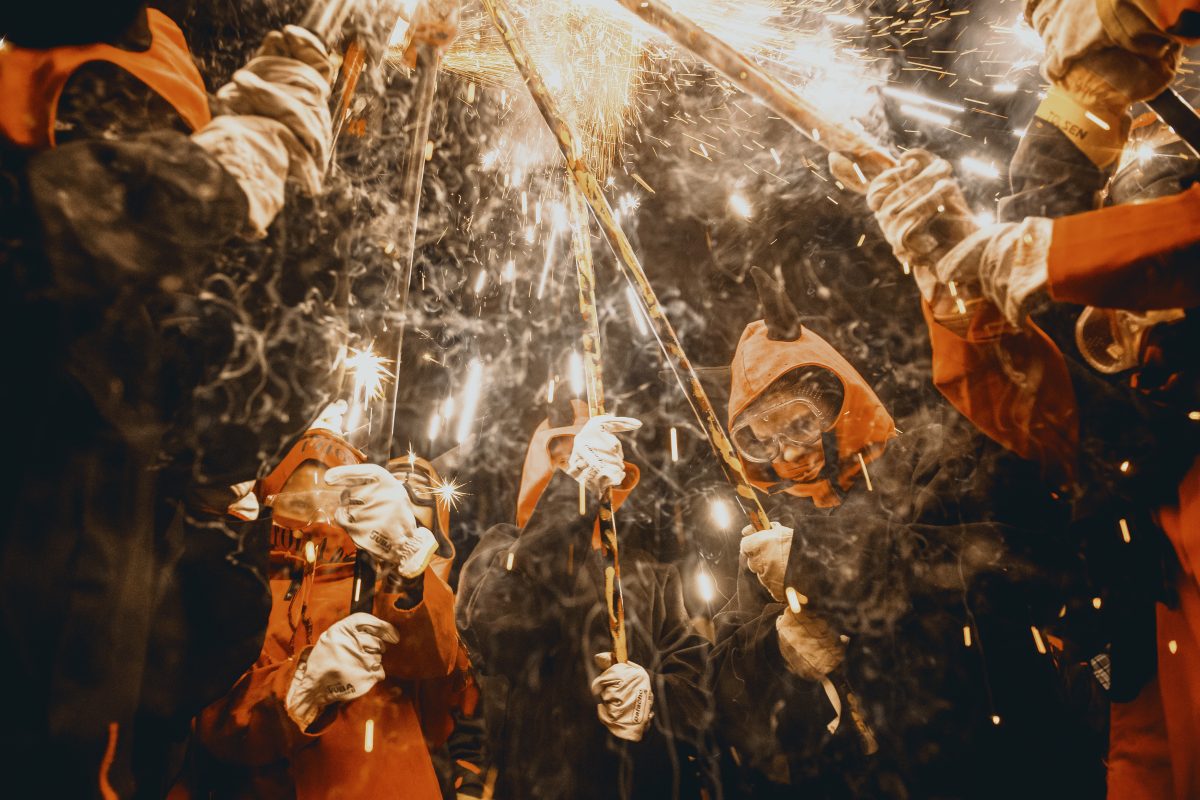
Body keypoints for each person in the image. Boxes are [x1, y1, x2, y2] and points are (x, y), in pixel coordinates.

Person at [839, 3, 1200, 795]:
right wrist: (951, 275)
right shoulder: (1149, 443)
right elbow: (1038, 397)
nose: (1127, 324)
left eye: (1144, 288)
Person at [0, 2, 335, 792]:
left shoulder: (110, 402)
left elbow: (156, 675)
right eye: (128, 146)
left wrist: (215, 514)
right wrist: (198, 182)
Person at [710, 269, 1097, 797]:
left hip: (1004, 762)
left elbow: (994, 562)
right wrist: (779, 651)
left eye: (801, 425)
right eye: (764, 442)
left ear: (837, 400)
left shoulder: (933, 455)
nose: (790, 455)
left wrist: (812, 567)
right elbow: (725, 686)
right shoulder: (768, 535)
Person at [193, 421, 475, 798]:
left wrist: (403, 567)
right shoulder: (240, 580)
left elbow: (439, 678)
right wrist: (301, 688)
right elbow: (208, 718)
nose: (312, 498)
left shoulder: (374, 578)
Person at [456, 399, 715, 799]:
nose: (581, 470)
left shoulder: (651, 572)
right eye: (563, 461)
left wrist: (653, 696)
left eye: (590, 458)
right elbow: (498, 636)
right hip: (538, 785)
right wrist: (570, 497)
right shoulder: (503, 550)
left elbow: (698, 685)